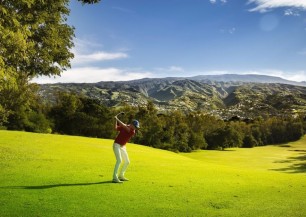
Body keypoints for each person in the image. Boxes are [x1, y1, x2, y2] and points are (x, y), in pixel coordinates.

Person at [112, 115, 140, 183]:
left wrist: (117, 118)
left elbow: (124, 126)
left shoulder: (132, 131)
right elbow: (115, 128)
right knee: (119, 160)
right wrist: (115, 120)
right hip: (116, 145)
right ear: (132, 124)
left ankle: (121, 176)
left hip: (123, 146)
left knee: (127, 161)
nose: (136, 128)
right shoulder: (126, 127)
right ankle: (115, 178)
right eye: (135, 127)